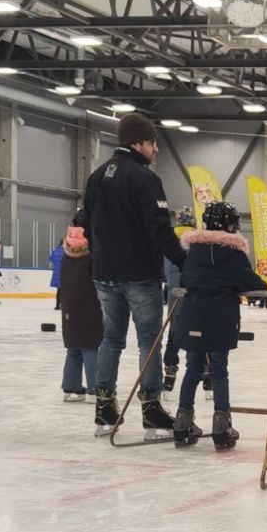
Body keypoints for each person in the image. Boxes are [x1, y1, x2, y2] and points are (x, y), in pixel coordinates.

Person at [81, 112, 187, 440]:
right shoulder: (144, 179)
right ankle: (151, 408)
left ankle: (104, 406)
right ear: (138, 142)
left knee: (111, 338)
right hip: (139, 273)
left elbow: (84, 225)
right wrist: (185, 262)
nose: (156, 149)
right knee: (149, 341)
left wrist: (96, 261)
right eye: (153, 143)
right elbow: (160, 230)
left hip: (104, 274)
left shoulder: (96, 177)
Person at [170, 202, 267, 450]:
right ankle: (221, 427)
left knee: (192, 368)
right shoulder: (234, 255)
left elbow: (185, 280)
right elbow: (249, 282)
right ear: (232, 226)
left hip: (192, 317)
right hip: (219, 319)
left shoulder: (193, 253)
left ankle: (182, 423)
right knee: (218, 370)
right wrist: (264, 288)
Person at [59, 222, 102, 402]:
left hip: (69, 308)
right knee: (91, 347)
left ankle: (71, 387)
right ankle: (94, 389)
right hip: (90, 307)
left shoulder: (65, 256)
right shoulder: (91, 257)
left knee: (74, 347)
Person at [162, 206, 195, 393]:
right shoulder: (197, 241)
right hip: (194, 294)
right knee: (195, 334)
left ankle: (170, 369)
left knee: (174, 335)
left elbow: (166, 269)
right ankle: (203, 373)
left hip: (174, 294)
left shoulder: (169, 240)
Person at [48, 239, 64, 310]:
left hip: (56, 272)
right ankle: (63, 305)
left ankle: (57, 305)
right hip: (63, 272)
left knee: (59, 290)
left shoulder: (55, 250)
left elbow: (51, 259)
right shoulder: (65, 251)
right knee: (64, 290)